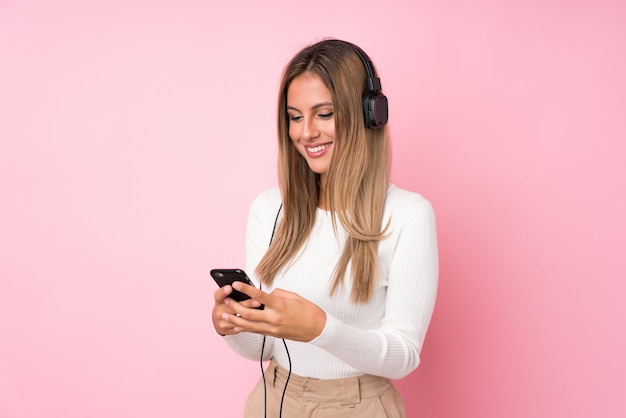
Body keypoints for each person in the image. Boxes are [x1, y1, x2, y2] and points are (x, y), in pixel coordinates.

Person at [211, 38, 439, 418]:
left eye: (324, 114)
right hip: (274, 397)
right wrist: (236, 325)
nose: (306, 133)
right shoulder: (269, 210)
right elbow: (266, 349)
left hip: (358, 405)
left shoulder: (408, 215)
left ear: (369, 115)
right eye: (295, 117)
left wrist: (321, 328)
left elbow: (403, 355)